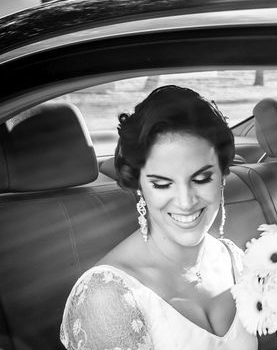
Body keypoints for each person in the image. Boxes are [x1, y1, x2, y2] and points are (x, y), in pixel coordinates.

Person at [60, 85, 257, 350]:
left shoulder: (237, 262)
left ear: (222, 176)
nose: (186, 201)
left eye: (201, 178)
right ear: (140, 185)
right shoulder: (108, 297)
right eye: (163, 184)